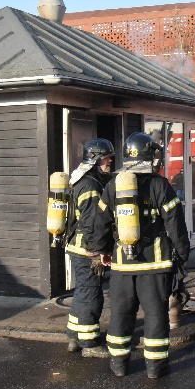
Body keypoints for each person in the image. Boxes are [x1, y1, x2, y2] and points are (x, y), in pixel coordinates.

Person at [90, 132, 190, 379]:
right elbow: (175, 223)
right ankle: (155, 367)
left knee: (122, 313)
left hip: (122, 265)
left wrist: (101, 251)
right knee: (156, 314)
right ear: (149, 155)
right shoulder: (160, 185)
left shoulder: (113, 186)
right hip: (155, 265)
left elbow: (100, 222)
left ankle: (119, 364)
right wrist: (182, 253)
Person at [64, 139, 115, 359]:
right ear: (95, 159)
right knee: (92, 294)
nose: (110, 161)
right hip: (87, 250)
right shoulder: (91, 185)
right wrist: (98, 252)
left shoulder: (82, 179)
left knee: (83, 291)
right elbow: (93, 223)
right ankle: (89, 343)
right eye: (106, 157)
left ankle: (74, 336)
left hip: (78, 247)